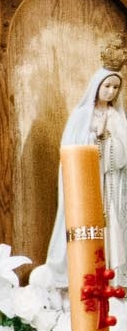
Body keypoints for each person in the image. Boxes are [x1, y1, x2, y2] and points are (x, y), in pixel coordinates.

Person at [46, 60, 127, 271]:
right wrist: (95, 137)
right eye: (106, 86)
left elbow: (123, 155)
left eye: (115, 87)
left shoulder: (117, 117)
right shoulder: (82, 115)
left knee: (112, 230)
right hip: (86, 184)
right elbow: (72, 150)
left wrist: (109, 142)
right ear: (96, 86)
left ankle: (111, 274)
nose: (110, 91)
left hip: (110, 186)